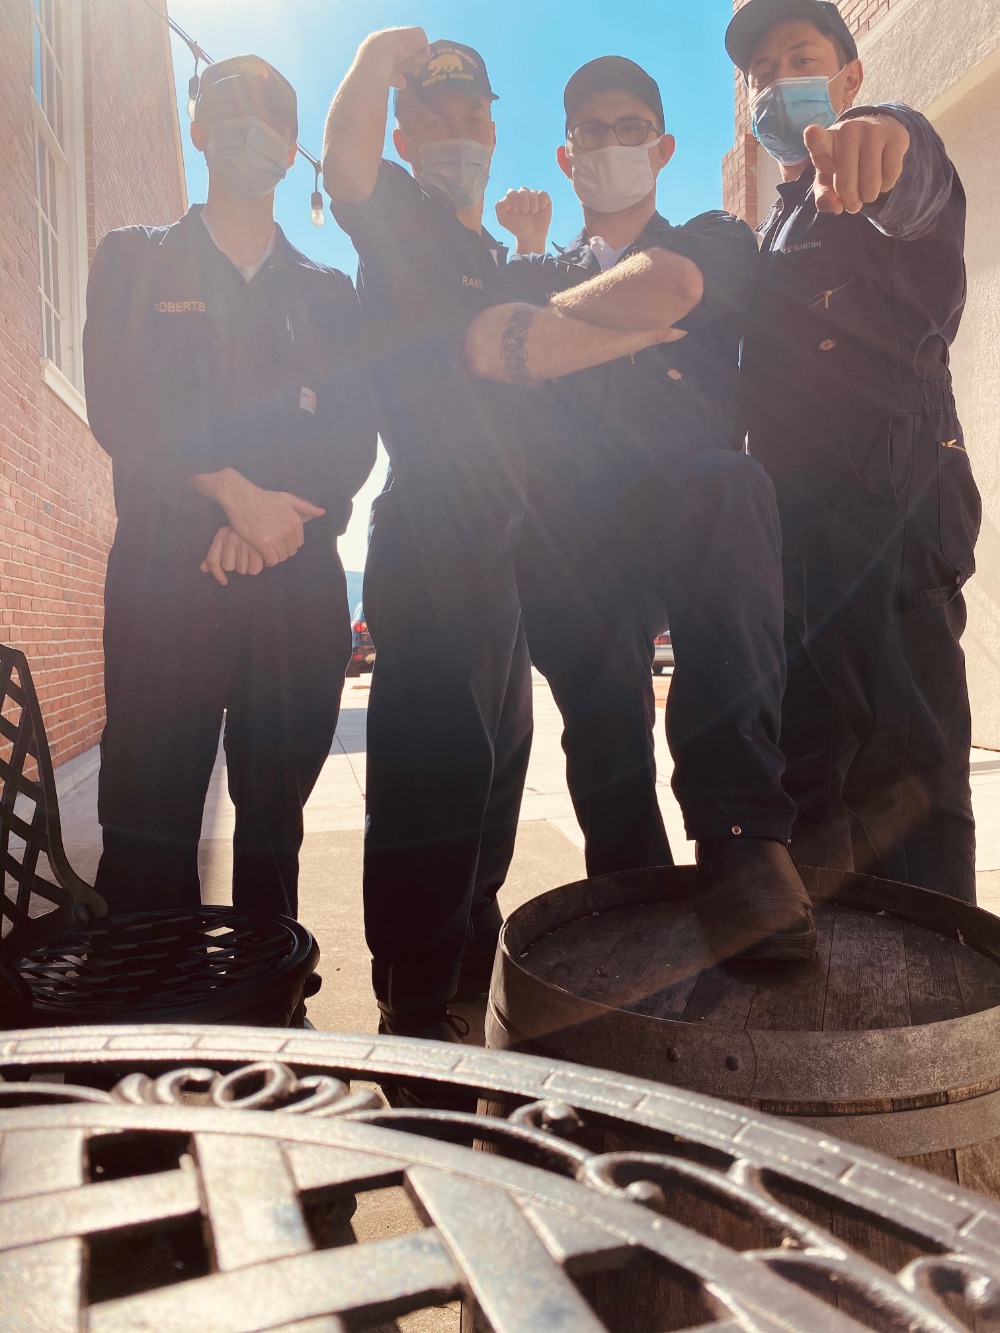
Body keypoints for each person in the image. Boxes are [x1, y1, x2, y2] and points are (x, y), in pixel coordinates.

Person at [322, 32, 699, 1054]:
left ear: (493, 125)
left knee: (490, 784)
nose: (452, 131)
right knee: (430, 781)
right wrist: (370, 60)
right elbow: (346, 168)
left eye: (467, 114)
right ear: (411, 130)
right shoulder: (397, 218)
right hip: (437, 523)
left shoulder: (490, 254)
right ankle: (413, 1010)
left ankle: (462, 984)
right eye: (431, 117)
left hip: (509, 545)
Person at [465, 56, 815, 962]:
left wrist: (545, 336)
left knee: (727, 483)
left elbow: (672, 286)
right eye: (592, 131)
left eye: (630, 130)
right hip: (578, 541)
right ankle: (627, 879)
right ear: (567, 150)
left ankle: (741, 841)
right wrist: (565, 322)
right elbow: (480, 346)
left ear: (661, 147)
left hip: (692, 526)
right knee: (603, 717)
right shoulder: (535, 269)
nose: (610, 145)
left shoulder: (716, 235)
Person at [83, 55, 375, 921]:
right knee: (147, 806)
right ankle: (147, 995)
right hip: (163, 579)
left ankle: (268, 992)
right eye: (228, 112)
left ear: (292, 152)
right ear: (201, 131)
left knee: (273, 818)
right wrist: (226, 490)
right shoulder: (135, 261)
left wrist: (261, 520)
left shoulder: (328, 295)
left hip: (295, 577)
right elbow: (119, 404)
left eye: (272, 120)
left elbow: (353, 436)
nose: (251, 129)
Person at [726, 0, 981, 900]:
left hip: (893, 530)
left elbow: (907, 179)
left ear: (850, 73)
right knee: (812, 795)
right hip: (798, 557)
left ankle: (939, 1024)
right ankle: (835, 1015)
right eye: (761, 70)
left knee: (907, 788)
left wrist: (891, 135)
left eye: (800, 55)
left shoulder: (876, 167)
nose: (776, 80)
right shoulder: (781, 218)